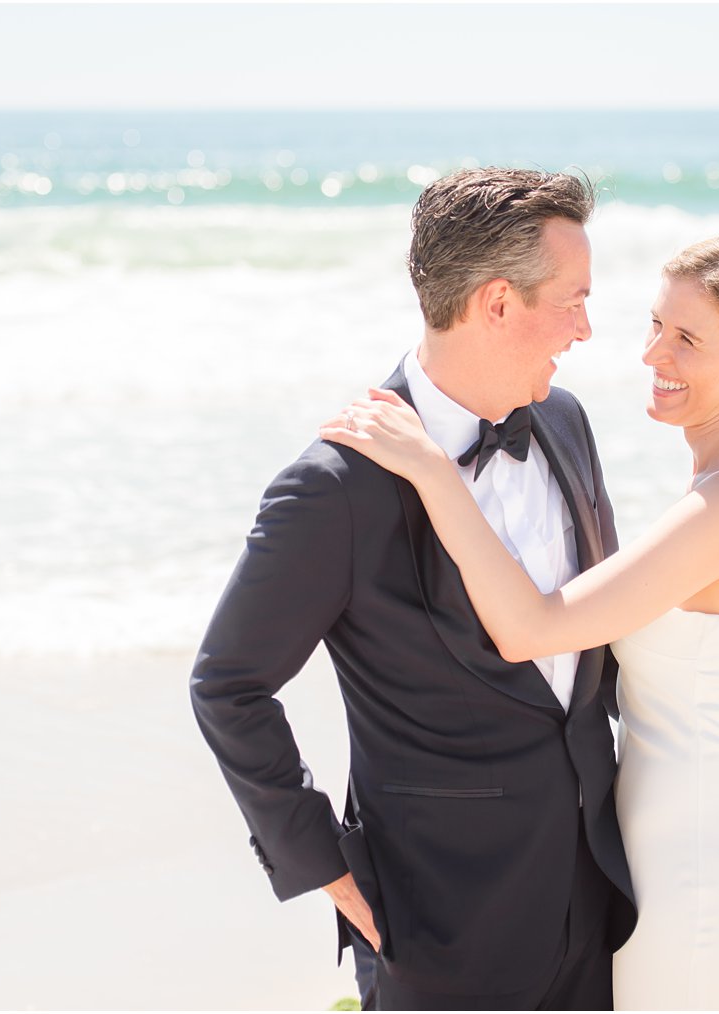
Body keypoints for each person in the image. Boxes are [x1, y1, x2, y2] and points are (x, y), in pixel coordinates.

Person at [321, 234, 719, 1010]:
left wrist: (434, 470)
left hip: (694, 873)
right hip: (715, 851)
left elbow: (530, 628)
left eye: (685, 339)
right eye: (656, 324)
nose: (651, 354)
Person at [190, 167, 637, 1011]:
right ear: (498, 303)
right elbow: (228, 685)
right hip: (439, 928)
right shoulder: (333, 488)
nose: (586, 327)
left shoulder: (567, 422)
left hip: (601, 901)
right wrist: (319, 861)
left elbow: (596, 654)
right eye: (574, 299)